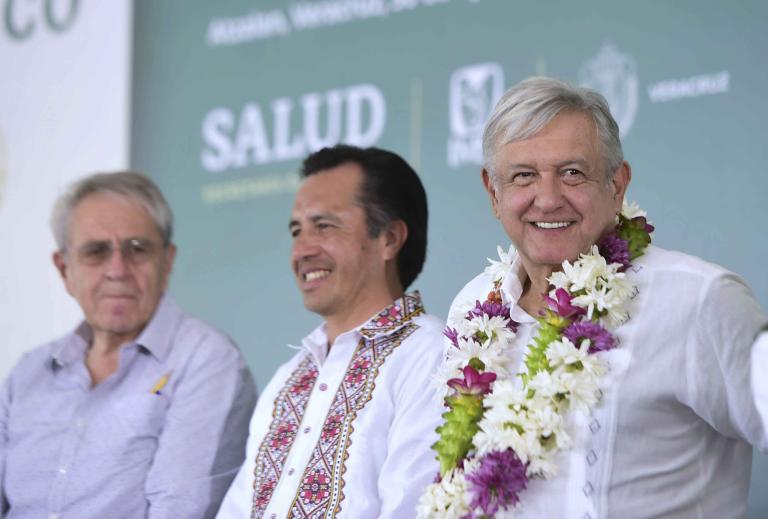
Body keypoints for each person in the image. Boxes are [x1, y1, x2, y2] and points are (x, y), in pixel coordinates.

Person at [436, 77, 767, 517]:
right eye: (523, 176)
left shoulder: (699, 299)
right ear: (493, 193)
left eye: (572, 173)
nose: (548, 198)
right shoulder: (474, 307)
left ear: (617, 184)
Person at [0, 172, 257, 519]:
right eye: (96, 252)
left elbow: (181, 512)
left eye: (138, 249)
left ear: (167, 262)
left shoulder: (207, 361)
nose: (118, 269)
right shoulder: (28, 373)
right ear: (64, 270)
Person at [217, 145, 444, 518]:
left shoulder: (430, 354)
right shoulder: (289, 379)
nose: (301, 250)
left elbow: (414, 508)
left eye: (324, 226)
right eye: (296, 231)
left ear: (389, 238)